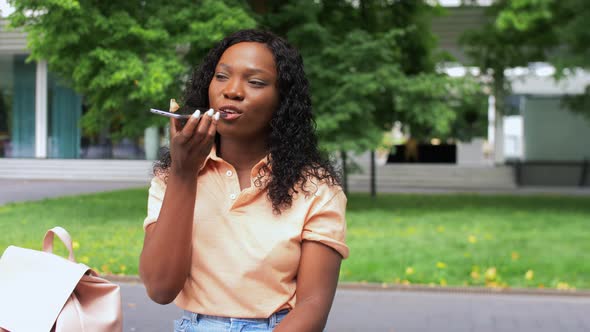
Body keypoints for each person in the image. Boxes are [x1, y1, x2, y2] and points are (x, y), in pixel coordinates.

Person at [139, 29, 349, 332]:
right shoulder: (173, 174)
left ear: (283, 101)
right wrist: (184, 174)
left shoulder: (316, 188)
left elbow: (312, 307)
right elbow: (160, 288)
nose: (233, 91)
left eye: (255, 82)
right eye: (222, 76)